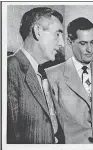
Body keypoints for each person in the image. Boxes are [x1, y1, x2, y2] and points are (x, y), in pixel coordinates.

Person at [46, 17, 93, 144]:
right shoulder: (52, 75)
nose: (90, 49)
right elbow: (49, 124)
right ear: (70, 42)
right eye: (83, 43)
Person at [7, 7, 65, 144]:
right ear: (38, 31)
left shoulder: (42, 73)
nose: (62, 43)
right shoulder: (9, 69)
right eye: (57, 34)